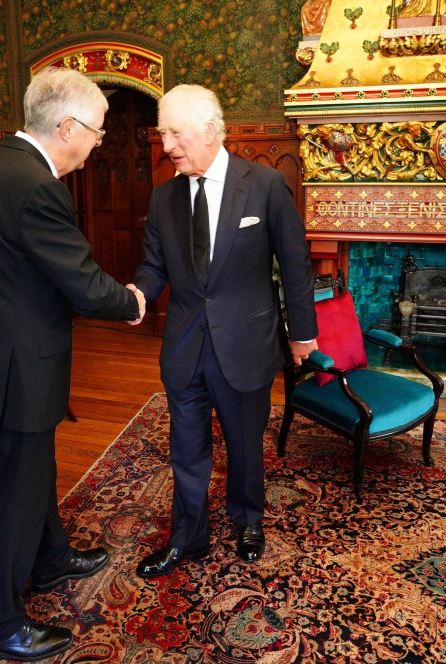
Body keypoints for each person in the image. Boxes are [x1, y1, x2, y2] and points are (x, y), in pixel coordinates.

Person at [0, 66, 145, 662]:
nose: (98, 143)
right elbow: (84, 286)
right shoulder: (39, 188)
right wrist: (131, 302)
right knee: (14, 493)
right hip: (18, 369)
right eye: (97, 131)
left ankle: (51, 557)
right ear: (67, 126)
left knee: (34, 472)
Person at [130, 84, 318, 579]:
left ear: (211, 131)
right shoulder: (163, 196)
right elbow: (154, 267)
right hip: (185, 346)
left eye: (175, 133)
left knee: (243, 443)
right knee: (186, 449)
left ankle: (248, 520)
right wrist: (139, 295)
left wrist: (303, 334)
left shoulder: (265, 184)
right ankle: (187, 537)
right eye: (162, 131)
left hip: (246, 344)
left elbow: (295, 266)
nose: (167, 143)